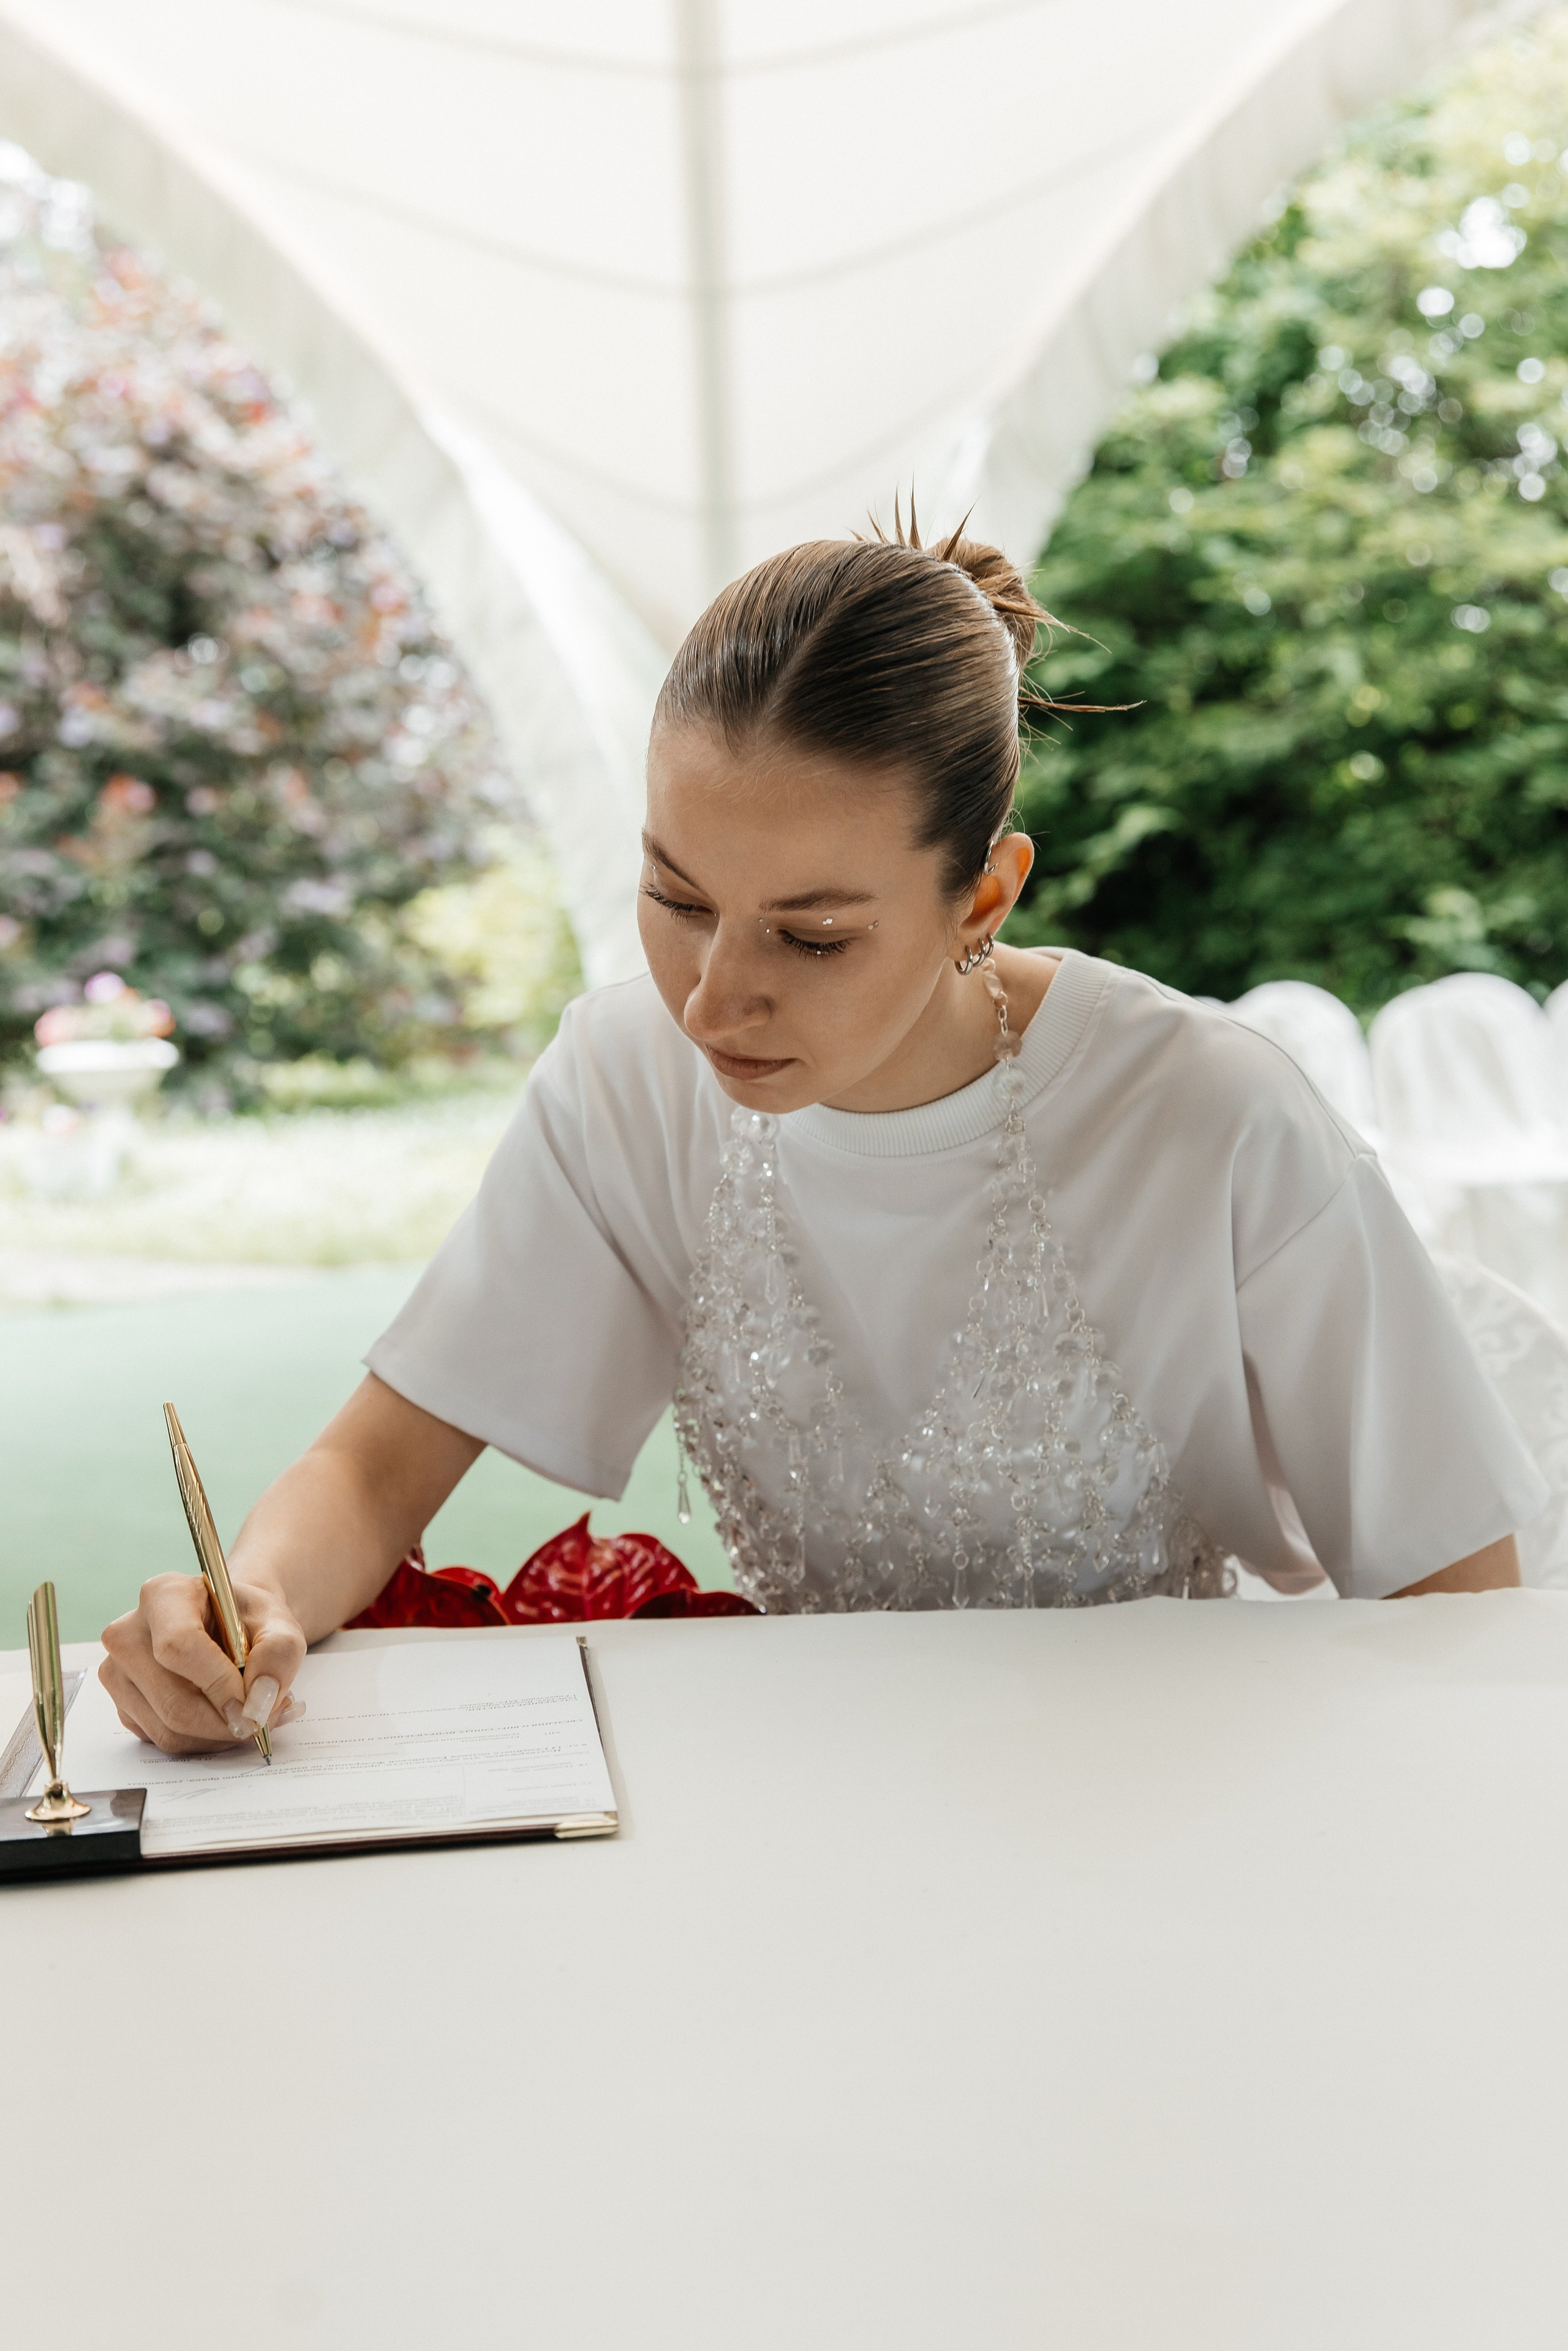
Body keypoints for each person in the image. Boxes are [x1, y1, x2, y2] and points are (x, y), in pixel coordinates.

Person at [101, 521, 1545, 1754]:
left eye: (811, 932)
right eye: (675, 896)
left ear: (983, 898)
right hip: (798, 1790)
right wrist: (242, 1605)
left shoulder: (1206, 1114)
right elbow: (373, 1467)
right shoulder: (625, 1076)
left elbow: (1456, 1599)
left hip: (1152, 1795)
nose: (715, 995)